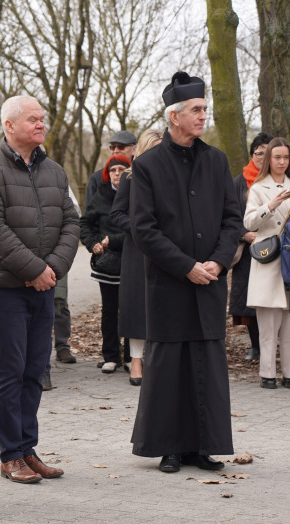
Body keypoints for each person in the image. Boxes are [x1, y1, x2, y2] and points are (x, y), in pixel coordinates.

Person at [129, 72, 240, 473]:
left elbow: (232, 218)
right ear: (174, 116)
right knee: (170, 364)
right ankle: (169, 447)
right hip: (169, 283)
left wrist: (218, 260)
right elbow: (143, 228)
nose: (202, 116)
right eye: (196, 110)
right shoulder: (147, 165)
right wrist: (185, 266)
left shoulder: (216, 160)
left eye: (205, 110)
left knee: (206, 363)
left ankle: (203, 445)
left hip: (210, 280)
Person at [0, 95, 80, 483]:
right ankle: (10, 455)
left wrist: (52, 269)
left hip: (44, 286)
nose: (41, 124)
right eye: (32, 119)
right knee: (11, 371)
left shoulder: (55, 171)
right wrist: (33, 270)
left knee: (36, 369)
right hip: (6, 287)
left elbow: (71, 223)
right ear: (9, 126)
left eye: (42, 118)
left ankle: (28, 449)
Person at [245, 137, 290, 389]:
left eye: (286, 158)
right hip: (269, 258)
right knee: (268, 321)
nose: (282, 162)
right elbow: (249, 223)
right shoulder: (258, 188)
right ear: (269, 159)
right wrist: (271, 205)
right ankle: (268, 374)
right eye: (277, 157)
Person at [113, 129, 163, 387]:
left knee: (163, 305)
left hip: (167, 250)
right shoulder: (130, 179)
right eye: (154, 147)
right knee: (137, 307)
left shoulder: (172, 178)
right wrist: (139, 227)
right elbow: (117, 214)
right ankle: (135, 361)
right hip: (137, 250)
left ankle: (160, 362)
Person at [80, 154, 131, 373]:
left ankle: (131, 357)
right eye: (113, 170)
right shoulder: (100, 195)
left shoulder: (137, 193)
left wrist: (115, 240)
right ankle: (111, 355)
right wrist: (93, 244)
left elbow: (140, 226)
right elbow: (85, 224)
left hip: (132, 260)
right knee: (110, 310)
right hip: (107, 263)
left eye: (121, 169)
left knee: (131, 310)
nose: (117, 174)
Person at [229, 132, 272, 363]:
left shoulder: (277, 180)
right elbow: (229, 214)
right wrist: (244, 234)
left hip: (274, 248)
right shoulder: (238, 182)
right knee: (250, 302)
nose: (261, 158)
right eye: (258, 153)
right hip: (248, 252)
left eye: (266, 154)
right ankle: (256, 346)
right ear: (251, 154)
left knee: (271, 300)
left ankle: (272, 344)